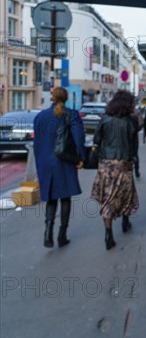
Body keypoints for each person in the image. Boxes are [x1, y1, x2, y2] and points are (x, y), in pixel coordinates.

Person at [33, 87, 85, 248]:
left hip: (45, 162)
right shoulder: (71, 115)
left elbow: (37, 142)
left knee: (51, 196)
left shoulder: (40, 116)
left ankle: (48, 231)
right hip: (64, 160)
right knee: (65, 196)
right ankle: (62, 235)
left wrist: (40, 162)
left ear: (52, 97)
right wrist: (80, 158)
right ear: (66, 98)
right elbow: (79, 138)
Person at [91, 90, 139, 250]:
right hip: (124, 163)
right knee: (126, 193)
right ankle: (125, 222)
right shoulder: (130, 121)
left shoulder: (105, 119)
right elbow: (134, 143)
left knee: (108, 198)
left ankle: (108, 232)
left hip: (106, 164)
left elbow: (96, 139)